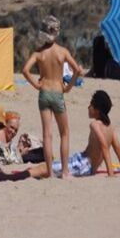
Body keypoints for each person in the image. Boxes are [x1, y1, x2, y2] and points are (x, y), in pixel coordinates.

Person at [0, 91, 120, 180]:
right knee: (46, 166)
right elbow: (118, 150)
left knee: (45, 167)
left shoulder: (95, 125)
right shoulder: (110, 127)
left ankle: (7, 177)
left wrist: (111, 174)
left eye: (91, 105)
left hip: (83, 164)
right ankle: (13, 175)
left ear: (97, 110)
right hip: (84, 163)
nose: (88, 107)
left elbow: (104, 146)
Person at [21, 15, 83, 179]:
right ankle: (64, 172)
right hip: (57, 92)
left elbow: (25, 70)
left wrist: (35, 84)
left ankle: (49, 172)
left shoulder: (39, 53)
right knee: (64, 133)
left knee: (47, 135)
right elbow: (77, 70)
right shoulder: (62, 52)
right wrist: (68, 87)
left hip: (44, 94)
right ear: (56, 32)